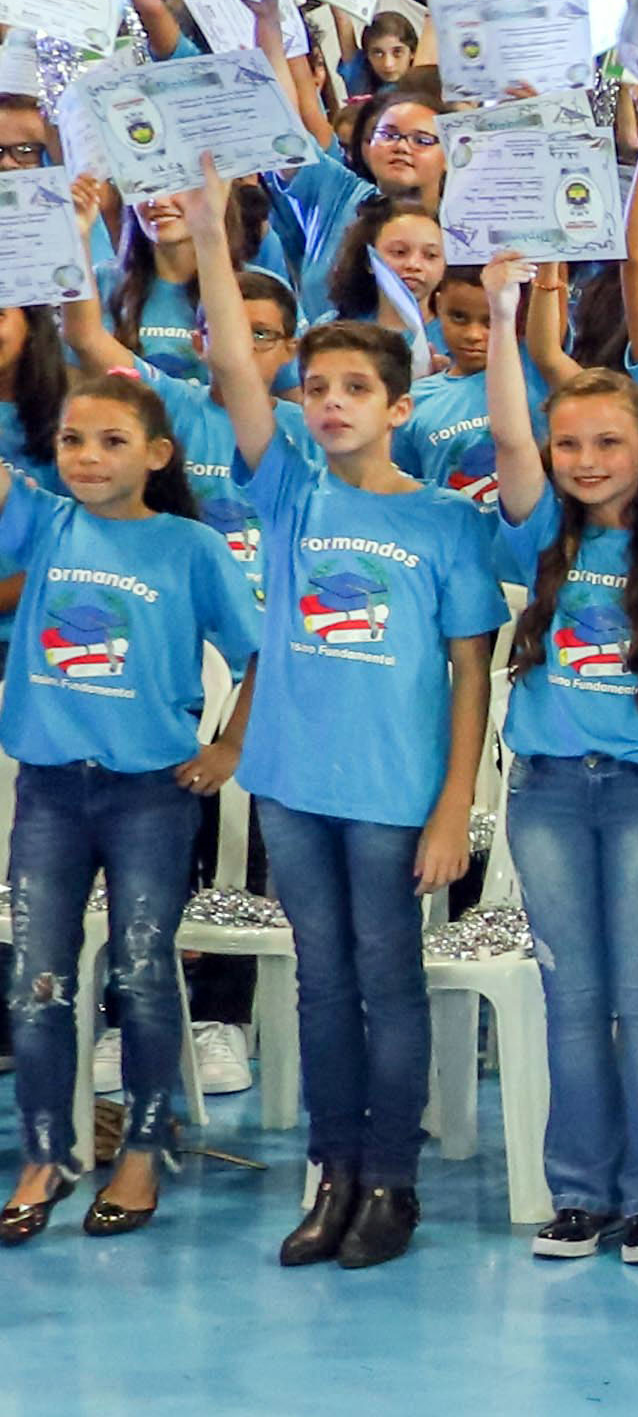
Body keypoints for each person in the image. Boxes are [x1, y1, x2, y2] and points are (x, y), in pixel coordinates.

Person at [168, 178, 498, 1272]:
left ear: (400, 406)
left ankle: (392, 1183)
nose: (333, 403)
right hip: (296, 784)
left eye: (357, 388)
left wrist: (455, 805)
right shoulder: (292, 494)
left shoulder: (447, 523)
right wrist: (213, 233)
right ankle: (333, 1174)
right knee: (321, 980)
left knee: (388, 979)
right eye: (318, 389)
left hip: (400, 794)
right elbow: (229, 373)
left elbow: (469, 675)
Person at [477, 306, 638, 1269]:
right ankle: (581, 1194)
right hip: (546, 793)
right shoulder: (540, 532)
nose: (586, 460)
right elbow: (507, 433)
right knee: (572, 997)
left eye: (606, 442)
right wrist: (508, 314)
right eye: (569, 444)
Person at [0, 372, 257, 1242]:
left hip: (150, 796)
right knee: (38, 983)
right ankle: (46, 1151)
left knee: (143, 978)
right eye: (73, 439)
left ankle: (144, 1151)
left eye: (112, 441)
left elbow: (261, 654)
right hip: (49, 794)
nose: (88, 457)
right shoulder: (44, 519)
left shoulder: (191, 549)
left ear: (157, 454)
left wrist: (228, 749)